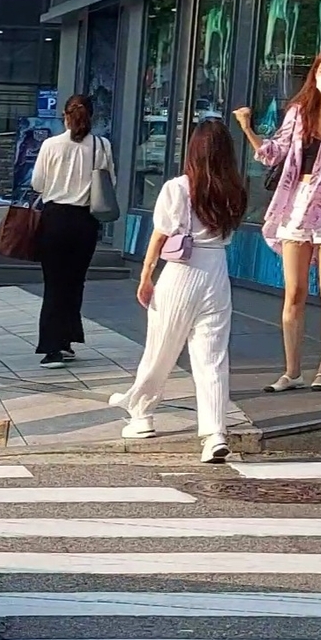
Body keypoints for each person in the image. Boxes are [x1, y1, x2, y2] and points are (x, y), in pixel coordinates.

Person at [237, 47, 321, 392]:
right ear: (314, 75)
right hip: (296, 205)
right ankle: (291, 370)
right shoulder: (299, 113)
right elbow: (273, 153)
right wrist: (247, 127)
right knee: (293, 292)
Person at [116, 116, 247, 462]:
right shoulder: (235, 189)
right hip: (217, 272)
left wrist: (146, 276)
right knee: (212, 357)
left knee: (161, 349)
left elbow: (160, 234)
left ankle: (142, 413)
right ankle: (215, 431)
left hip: (181, 271)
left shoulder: (178, 188)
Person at [27, 93, 114, 365]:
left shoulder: (51, 145)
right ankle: (67, 339)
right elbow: (110, 182)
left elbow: (37, 184)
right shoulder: (101, 145)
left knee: (54, 283)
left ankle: (51, 346)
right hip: (85, 221)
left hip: (54, 219)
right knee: (75, 282)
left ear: (65, 115)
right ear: (91, 116)